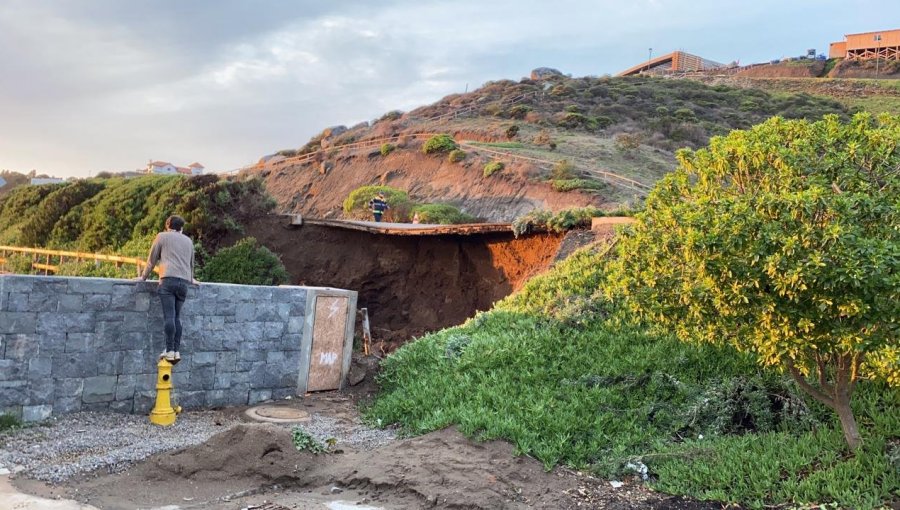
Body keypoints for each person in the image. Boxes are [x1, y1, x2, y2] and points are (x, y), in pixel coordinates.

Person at [135, 215, 199, 363]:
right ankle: (176, 351)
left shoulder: (161, 237)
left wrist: (143, 277)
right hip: (184, 283)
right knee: (177, 317)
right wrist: (191, 278)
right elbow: (191, 264)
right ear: (181, 228)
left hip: (168, 280)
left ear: (167, 226)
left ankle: (169, 350)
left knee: (169, 317)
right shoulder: (189, 241)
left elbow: (152, 260)